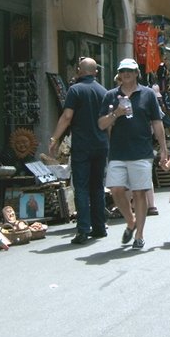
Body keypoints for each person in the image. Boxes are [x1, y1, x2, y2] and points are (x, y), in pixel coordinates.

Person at [97, 58, 169, 251]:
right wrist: (116, 114)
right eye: (122, 71)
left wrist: (163, 149)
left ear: (137, 73)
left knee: (139, 192)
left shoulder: (148, 94)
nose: (126, 74)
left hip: (141, 151)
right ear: (119, 74)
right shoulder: (110, 96)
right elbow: (101, 124)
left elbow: (157, 123)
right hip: (118, 151)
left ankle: (139, 235)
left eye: (129, 70)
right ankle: (131, 221)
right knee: (116, 189)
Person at [49, 57, 108, 245]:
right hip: (101, 145)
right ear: (95, 72)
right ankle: (99, 226)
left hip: (82, 145)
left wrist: (55, 138)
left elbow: (67, 116)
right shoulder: (103, 91)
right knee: (97, 186)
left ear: (79, 71)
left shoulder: (75, 90)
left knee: (81, 187)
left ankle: (83, 229)